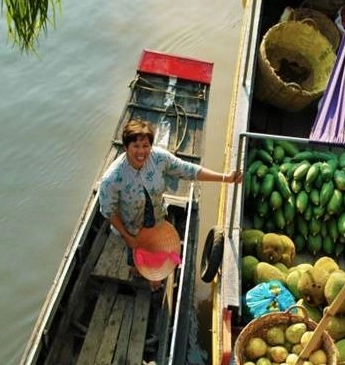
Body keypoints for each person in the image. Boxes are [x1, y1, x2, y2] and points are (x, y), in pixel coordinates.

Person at [98, 119, 242, 286]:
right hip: (132, 227)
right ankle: (136, 268)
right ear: (125, 147)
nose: (141, 152)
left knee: (155, 249)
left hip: (156, 216)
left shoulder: (158, 158)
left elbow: (188, 170)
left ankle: (153, 272)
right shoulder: (112, 178)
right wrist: (127, 236)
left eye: (145, 146)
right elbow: (108, 211)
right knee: (135, 253)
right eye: (135, 146)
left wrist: (226, 178)